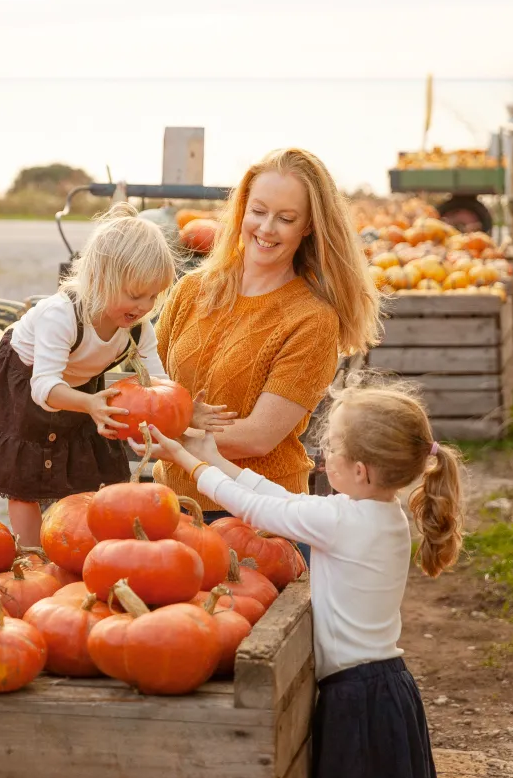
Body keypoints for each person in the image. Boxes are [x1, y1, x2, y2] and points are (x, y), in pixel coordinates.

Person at [133, 376, 462, 778]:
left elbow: (257, 510)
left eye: (333, 446)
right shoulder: (376, 511)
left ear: (360, 471)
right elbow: (282, 500)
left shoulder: (345, 522)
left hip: (358, 697)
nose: (324, 454)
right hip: (382, 688)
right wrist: (212, 458)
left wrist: (187, 460)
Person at [154, 147, 384, 561]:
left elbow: (258, 437)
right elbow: (152, 385)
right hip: (170, 504)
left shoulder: (311, 319)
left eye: (286, 218)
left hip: (257, 519)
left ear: (310, 226)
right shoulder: (192, 290)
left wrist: (168, 436)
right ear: (242, 209)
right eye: (258, 211)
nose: (267, 228)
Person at [0, 203, 233, 548]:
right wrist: (89, 403)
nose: (144, 306)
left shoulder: (136, 327)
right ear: (100, 278)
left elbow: (159, 384)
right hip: (27, 377)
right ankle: (30, 553)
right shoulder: (61, 316)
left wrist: (185, 413)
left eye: (152, 296)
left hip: (80, 385)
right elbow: (43, 387)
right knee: (26, 475)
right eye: (135, 295)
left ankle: (75, 543)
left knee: (84, 465)